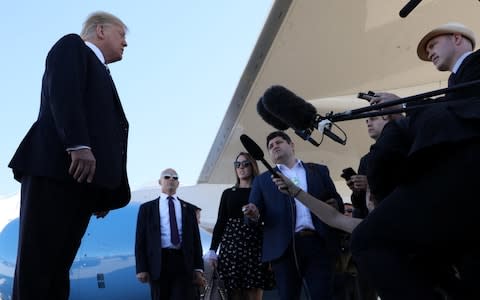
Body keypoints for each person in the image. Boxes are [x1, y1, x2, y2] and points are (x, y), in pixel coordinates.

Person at [276, 22, 480, 299]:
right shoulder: (455, 83)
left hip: (460, 183)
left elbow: (463, 115)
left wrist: (404, 107)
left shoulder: (475, 69)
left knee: (375, 243)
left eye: (433, 45)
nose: (429, 52)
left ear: (458, 38)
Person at [8, 11, 130, 300]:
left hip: (80, 182)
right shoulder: (72, 46)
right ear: (100, 30)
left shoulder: (102, 73)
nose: (125, 43)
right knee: (37, 266)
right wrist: (78, 144)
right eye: (121, 34)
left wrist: (102, 192)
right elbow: (63, 93)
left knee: (57, 268)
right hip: (55, 170)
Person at [243, 131, 344, 300]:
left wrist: (335, 203)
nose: (274, 146)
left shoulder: (318, 171)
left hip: (319, 243)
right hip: (284, 249)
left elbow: (337, 201)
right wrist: (253, 214)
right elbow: (252, 216)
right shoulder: (263, 180)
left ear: (291, 145)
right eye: (270, 146)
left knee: (323, 295)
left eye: (279, 142)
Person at [205, 152, 272, 300]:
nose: (241, 167)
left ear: (253, 166)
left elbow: (270, 220)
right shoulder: (228, 193)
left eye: (245, 164)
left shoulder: (262, 192)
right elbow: (221, 222)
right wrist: (212, 250)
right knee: (232, 293)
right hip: (231, 247)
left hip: (256, 246)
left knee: (254, 292)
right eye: (237, 164)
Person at [135, 168, 206, 300]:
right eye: (167, 177)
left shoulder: (189, 209)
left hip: (183, 262)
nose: (171, 180)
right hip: (158, 263)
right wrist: (141, 268)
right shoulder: (147, 209)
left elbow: (196, 241)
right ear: (160, 182)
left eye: (175, 177)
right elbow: (140, 240)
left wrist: (198, 268)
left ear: (178, 183)